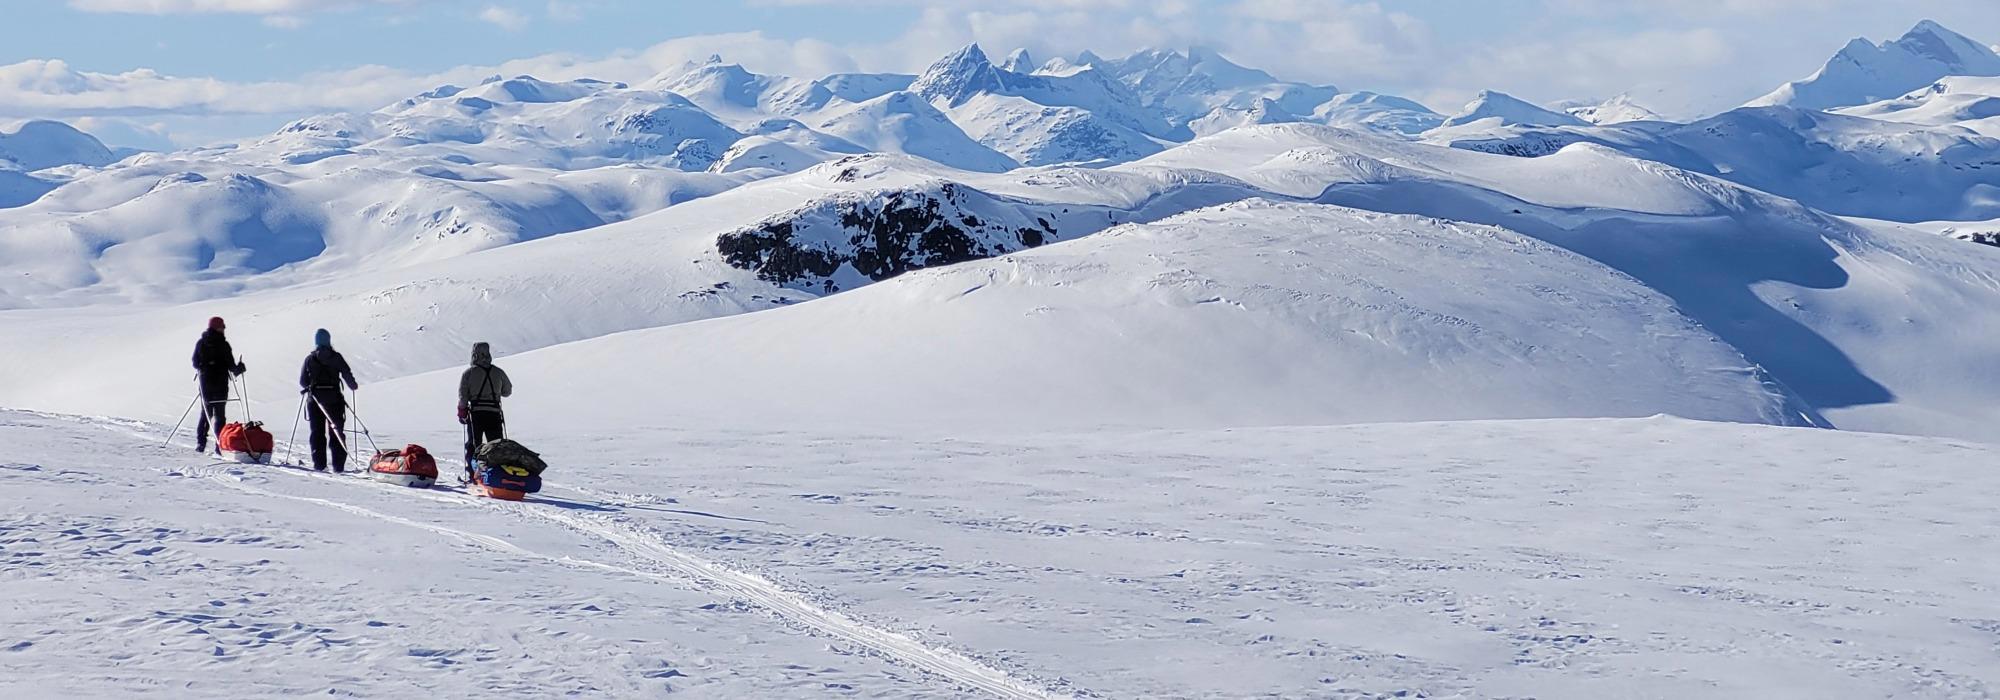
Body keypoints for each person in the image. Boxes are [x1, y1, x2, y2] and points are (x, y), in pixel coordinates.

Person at [299, 328, 358, 472]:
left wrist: (312, 386)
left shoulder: (310, 359)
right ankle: (338, 467)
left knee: (317, 433)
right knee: (336, 432)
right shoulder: (336, 357)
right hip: (334, 400)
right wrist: (352, 385)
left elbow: (303, 381)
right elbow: (347, 374)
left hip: (315, 401)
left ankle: (320, 465)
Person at [190, 316, 246, 453]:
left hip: (206, 384)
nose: (224, 329)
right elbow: (232, 367)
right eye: (222, 327)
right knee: (220, 416)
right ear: (217, 328)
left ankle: (201, 443)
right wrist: (241, 368)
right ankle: (219, 445)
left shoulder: (202, 343)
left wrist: (206, 367)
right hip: (221, 385)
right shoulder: (223, 345)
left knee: (206, 414)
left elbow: (195, 363)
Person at [458, 342, 513, 479]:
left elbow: (463, 397)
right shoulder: (498, 372)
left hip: (476, 413)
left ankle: (473, 474)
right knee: (496, 446)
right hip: (494, 413)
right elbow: (507, 391)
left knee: (474, 445)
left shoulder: (469, 373)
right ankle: (497, 475)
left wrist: (462, 412)